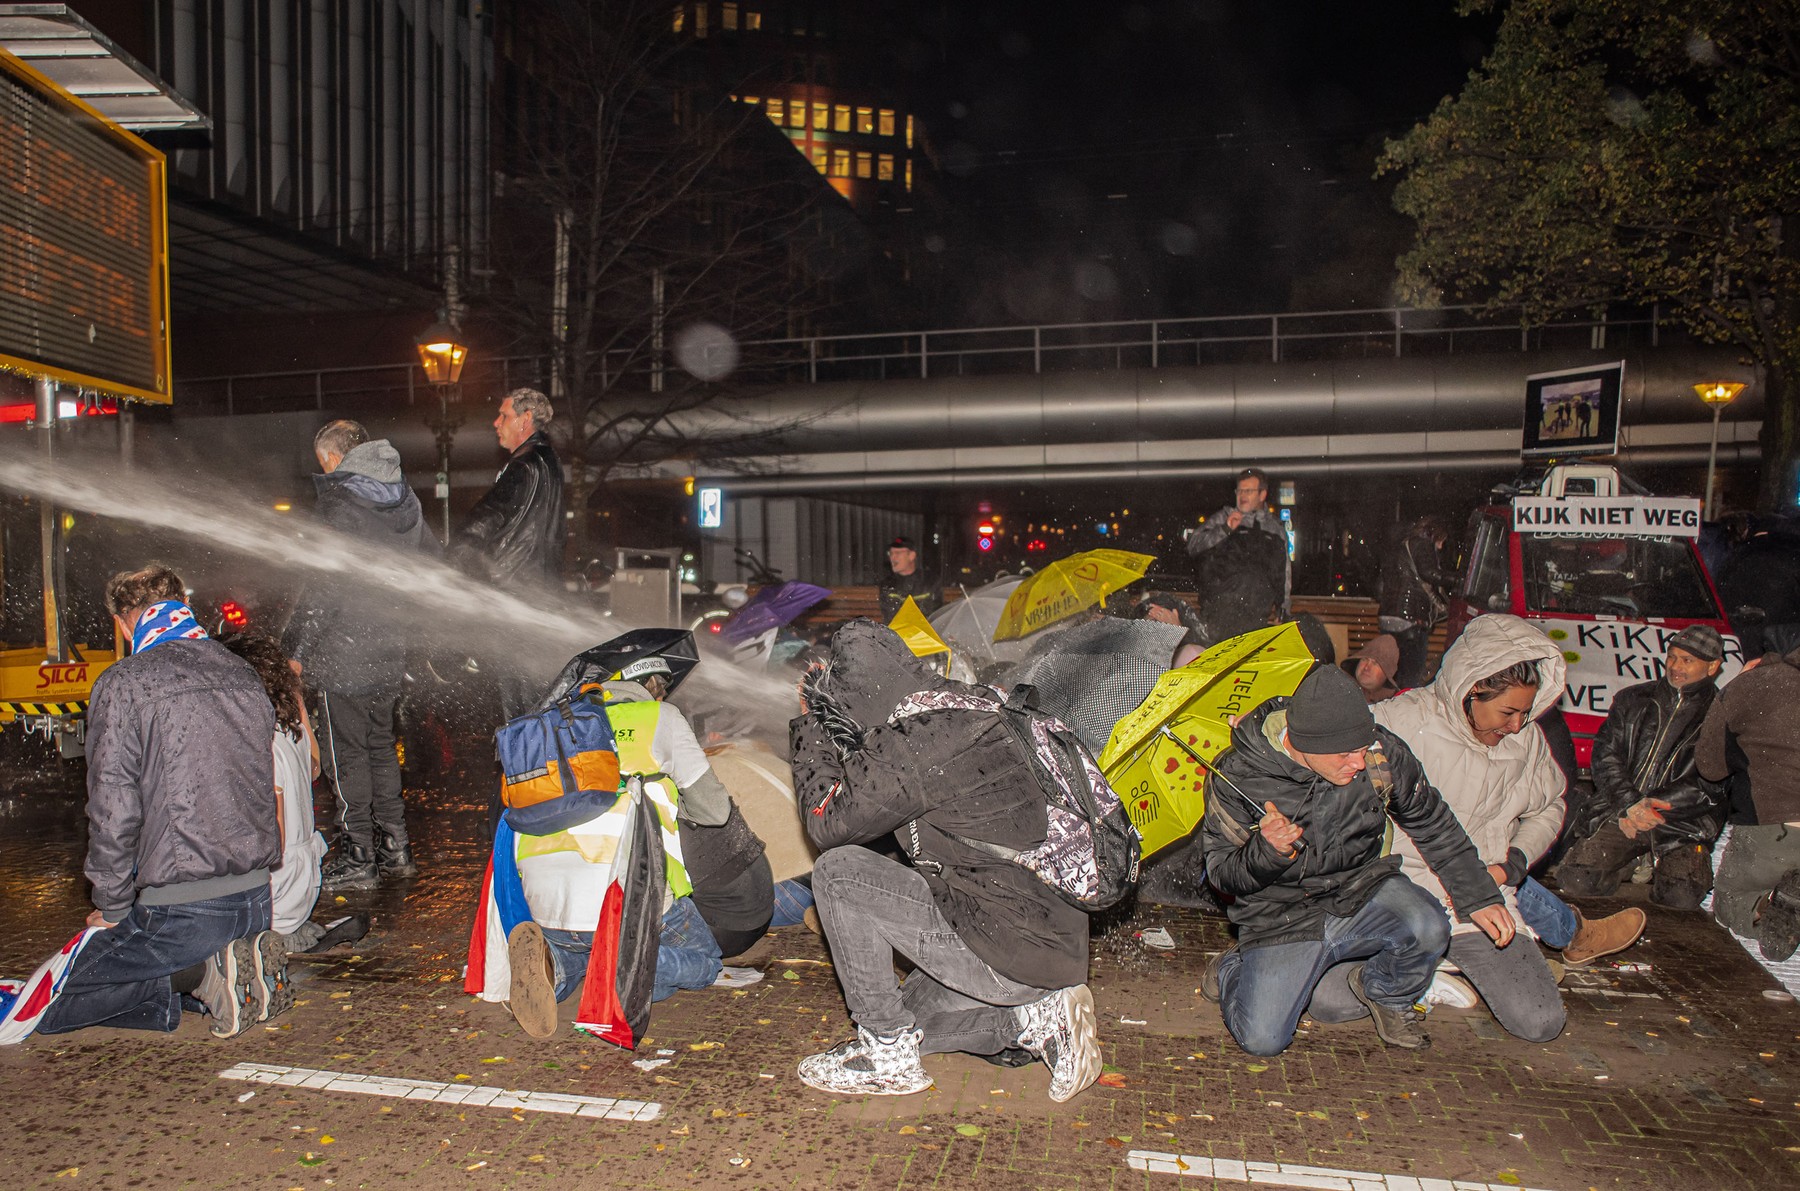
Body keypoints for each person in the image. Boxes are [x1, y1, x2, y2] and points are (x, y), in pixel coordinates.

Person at [789, 620, 1101, 1101]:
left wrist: (813, 723)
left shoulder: (913, 742)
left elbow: (827, 821)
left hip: (1007, 945)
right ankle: (1033, 1021)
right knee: (914, 1014)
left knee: (838, 872)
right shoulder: (970, 704)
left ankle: (886, 1054)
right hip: (1046, 942)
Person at [1198, 664, 1510, 1057]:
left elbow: (1432, 820)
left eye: (1362, 749)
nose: (1359, 763)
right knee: (1263, 1040)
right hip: (1282, 914)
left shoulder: (1379, 753)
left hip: (1362, 888)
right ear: (1300, 741)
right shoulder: (1239, 776)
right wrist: (1268, 852)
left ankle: (1389, 994)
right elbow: (1223, 875)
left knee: (1430, 925)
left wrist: (1479, 896)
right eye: (1346, 753)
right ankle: (1233, 969)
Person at [36, 564, 288, 1039]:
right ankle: (222, 974)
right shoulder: (241, 672)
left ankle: (200, 974)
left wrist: (112, 907)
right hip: (255, 901)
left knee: (43, 1001)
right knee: (103, 984)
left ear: (124, 622)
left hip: (182, 910)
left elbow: (113, 808)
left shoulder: (126, 682)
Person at [1374, 616, 1639, 1042]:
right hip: (1399, 896)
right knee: (1330, 995)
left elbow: (1549, 807)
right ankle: (1416, 970)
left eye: (1525, 712)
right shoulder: (1401, 721)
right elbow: (1324, 755)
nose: (1517, 725)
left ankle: (1438, 966)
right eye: (1508, 712)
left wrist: (1512, 864)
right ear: (1472, 689)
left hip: (1484, 900)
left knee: (1540, 1021)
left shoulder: (1526, 740)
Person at [503, 648, 769, 1037]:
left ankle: (556, 965)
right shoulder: (661, 718)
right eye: (662, 689)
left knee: (583, 945)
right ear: (650, 687)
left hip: (546, 905)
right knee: (705, 961)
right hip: (627, 902)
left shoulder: (556, 722)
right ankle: (618, 965)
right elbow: (715, 812)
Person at [287, 419, 430, 891]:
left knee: (346, 754)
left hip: (342, 651)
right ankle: (397, 847)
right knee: (380, 748)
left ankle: (359, 854)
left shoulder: (338, 502)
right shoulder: (404, 498)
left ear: (334, 457)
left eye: (322, 462)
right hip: (390, 646)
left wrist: (296, 649)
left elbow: (324, 584)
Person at [1558, 626, 1727, 910]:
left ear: (1712, 666)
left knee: (1681, 896)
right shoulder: (1632, 700)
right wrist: (1630, 804)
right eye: (1672, 657)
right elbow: (1605, 756)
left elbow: (1712, 783)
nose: (1675, 667)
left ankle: (1660, 865)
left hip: (1681, 824)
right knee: (1576, 879)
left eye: (1687, 660)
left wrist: (1651, 807)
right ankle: (1628, 862)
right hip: (1621, 812)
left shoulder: (1721, 715)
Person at [452, 387, 566, 717]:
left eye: (504, 415)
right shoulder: (549, 463)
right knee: (536, 701)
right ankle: (540, 764)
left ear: (525, 419)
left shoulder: (525, 465)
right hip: (536, 596)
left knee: (520, 706)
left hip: (515, 596)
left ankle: (527, 767)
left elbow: (487, 517)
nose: (495, 422)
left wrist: (453, 558)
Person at [220, 632, 331, 954]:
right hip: (303, 887)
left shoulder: (258, 743)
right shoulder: (287, 730)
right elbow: (314, 769)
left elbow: (273, 836)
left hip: (275, 898)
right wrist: (294, 692)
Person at [1695, 639, 1800, 959]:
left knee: (1730, 905)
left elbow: (1710, 768)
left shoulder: (1753, 684)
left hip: (1771, 830)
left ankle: (1769, 907)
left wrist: (1736, 689)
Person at [1187, 468, 1291, 637]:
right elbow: (1194, 546)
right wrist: (1225, 529)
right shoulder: (1224, 518)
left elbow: (1284, 572)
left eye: (1248, 491)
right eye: (1240, 491)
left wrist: (1284, 608)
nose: (1242, 495)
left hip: (1256, 614)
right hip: (1220, 610)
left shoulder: (1275, 530)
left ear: (1262, 494)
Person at [1379, 516, 1451, 688]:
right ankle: (1405, 708)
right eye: (1441, 541)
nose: (1440, 547)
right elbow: (1429, 573)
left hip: (1388, 617)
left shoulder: (1400, 546)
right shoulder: (1422, 543)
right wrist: (1458, 580)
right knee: (1411, 675)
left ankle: (1391, 705)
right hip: (1410, 618)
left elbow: (1380, 585)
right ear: (1435, 534)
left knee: (1392, 672)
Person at [876, 536, 941, 621]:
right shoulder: (887, 584)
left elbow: (936, 614)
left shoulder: (930, 581)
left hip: (924, 631)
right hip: (897, 632)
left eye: (897, 553)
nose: (893, 557)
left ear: (911, 556)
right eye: (891, 553)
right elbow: (889, 617)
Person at [1341, 633, 1400, 703]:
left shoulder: (1395, 705)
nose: (1366, 667)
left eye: (1375, 663)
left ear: (1386, 674)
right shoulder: (1339, 690)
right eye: (1364, 659)